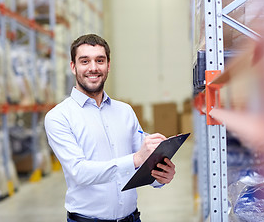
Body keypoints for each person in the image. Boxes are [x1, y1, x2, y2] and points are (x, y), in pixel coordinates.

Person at [44, 34, 176, 222]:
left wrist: (160, 176)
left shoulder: (125, 111)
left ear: (108, 65)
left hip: (131, 218)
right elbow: (79, 172)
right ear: (73, 67)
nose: (93, 68)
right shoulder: (59, 117)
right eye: (85, 61)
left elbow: (145, 163)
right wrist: (136, 159)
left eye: (100, 60)